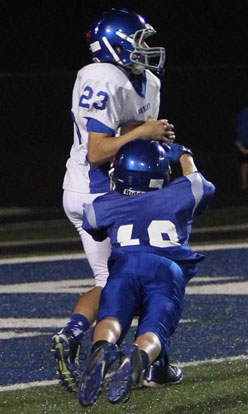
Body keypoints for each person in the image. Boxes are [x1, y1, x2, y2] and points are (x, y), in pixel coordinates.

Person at [51, 8, 175, 392]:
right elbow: (98, 151)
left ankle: (73, 334)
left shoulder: (145, 81)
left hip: (108, 193)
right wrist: (147, 132)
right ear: (115, 42)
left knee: (116, 283)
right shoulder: (101, 77)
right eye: (138, 41)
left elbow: (130, 142)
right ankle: (143, 366)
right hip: (100, 193)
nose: (145, 49)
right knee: (144, 281)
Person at [78, 139, 215, 406]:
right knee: (154, 329)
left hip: (125, 267)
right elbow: (200, 184)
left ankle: (103, 348)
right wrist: (184, 155)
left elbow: (92, 221)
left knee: (113, 317)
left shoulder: (108, 203)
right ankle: (138, 359)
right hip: (165, 270)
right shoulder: (178, 193)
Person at [234, 107, 248, 191]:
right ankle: (244, 184)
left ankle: (244, 184)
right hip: (243, 141)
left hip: (242, 141)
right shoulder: (243, 113)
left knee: (245, 164)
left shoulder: (242, 112)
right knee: (245, 164)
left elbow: (236, 126)